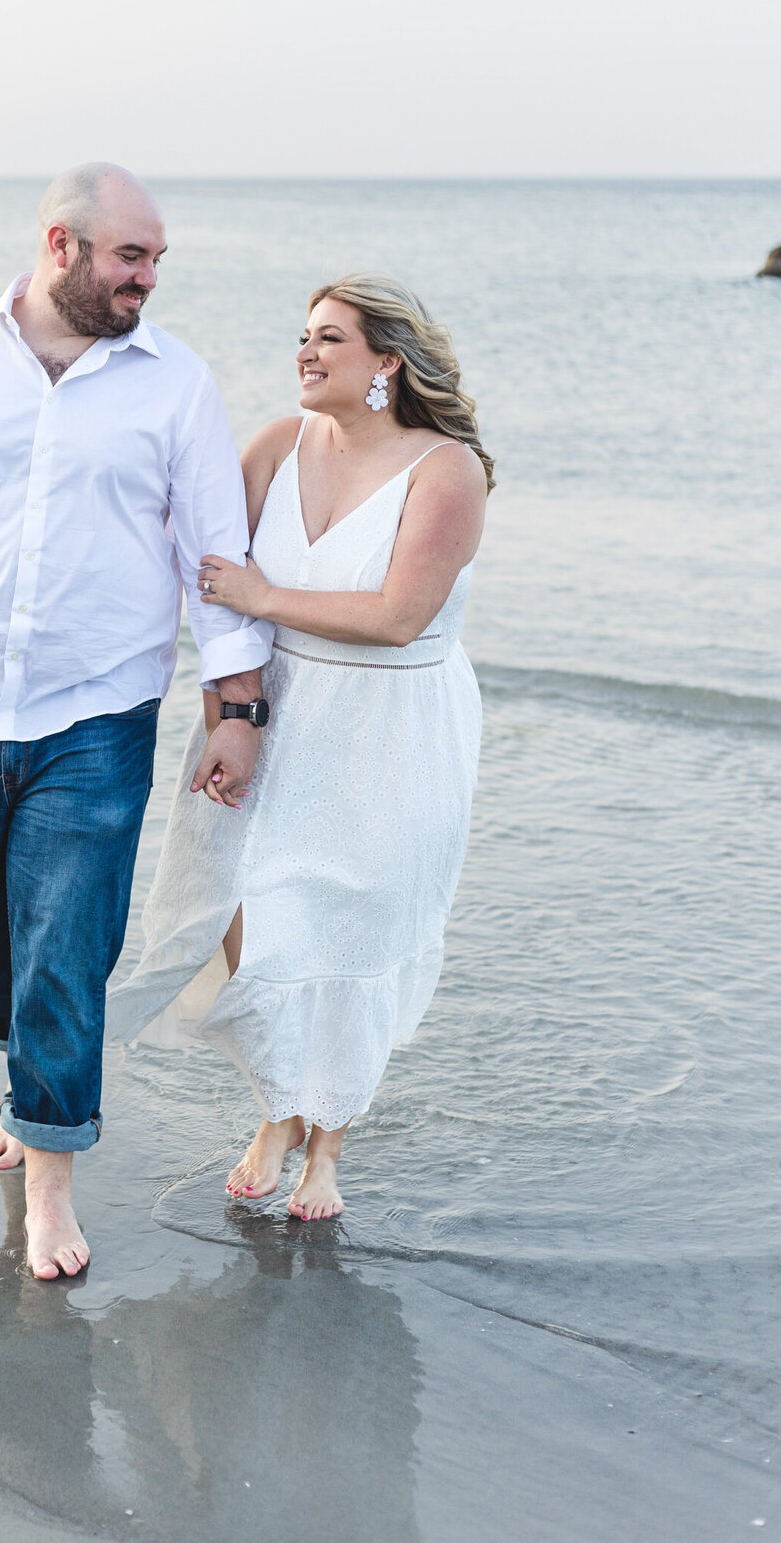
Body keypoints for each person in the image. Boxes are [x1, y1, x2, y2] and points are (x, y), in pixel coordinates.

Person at [0, 165, 271, 1278]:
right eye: (132, 257)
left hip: (102, 716)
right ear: (62, 246)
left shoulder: (176, 383)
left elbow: (213, 559)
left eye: (159, 260)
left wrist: (237, 710)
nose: (149, 279)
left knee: (65, 952)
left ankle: (50, 1185)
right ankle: (26, 1070)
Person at [107, 274, 493, 1220]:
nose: (305, 354)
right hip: (276, 714)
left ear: (386, 364)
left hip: (389, 727)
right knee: (251, 914)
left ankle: (322, 1143)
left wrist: (263, 597)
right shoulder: (276, 447)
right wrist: (227, 708)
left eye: (329, 338)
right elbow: (204, 576)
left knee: (353, 928)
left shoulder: (447, 469)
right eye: (303, 336)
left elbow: (402, 616)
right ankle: (280, 1100)